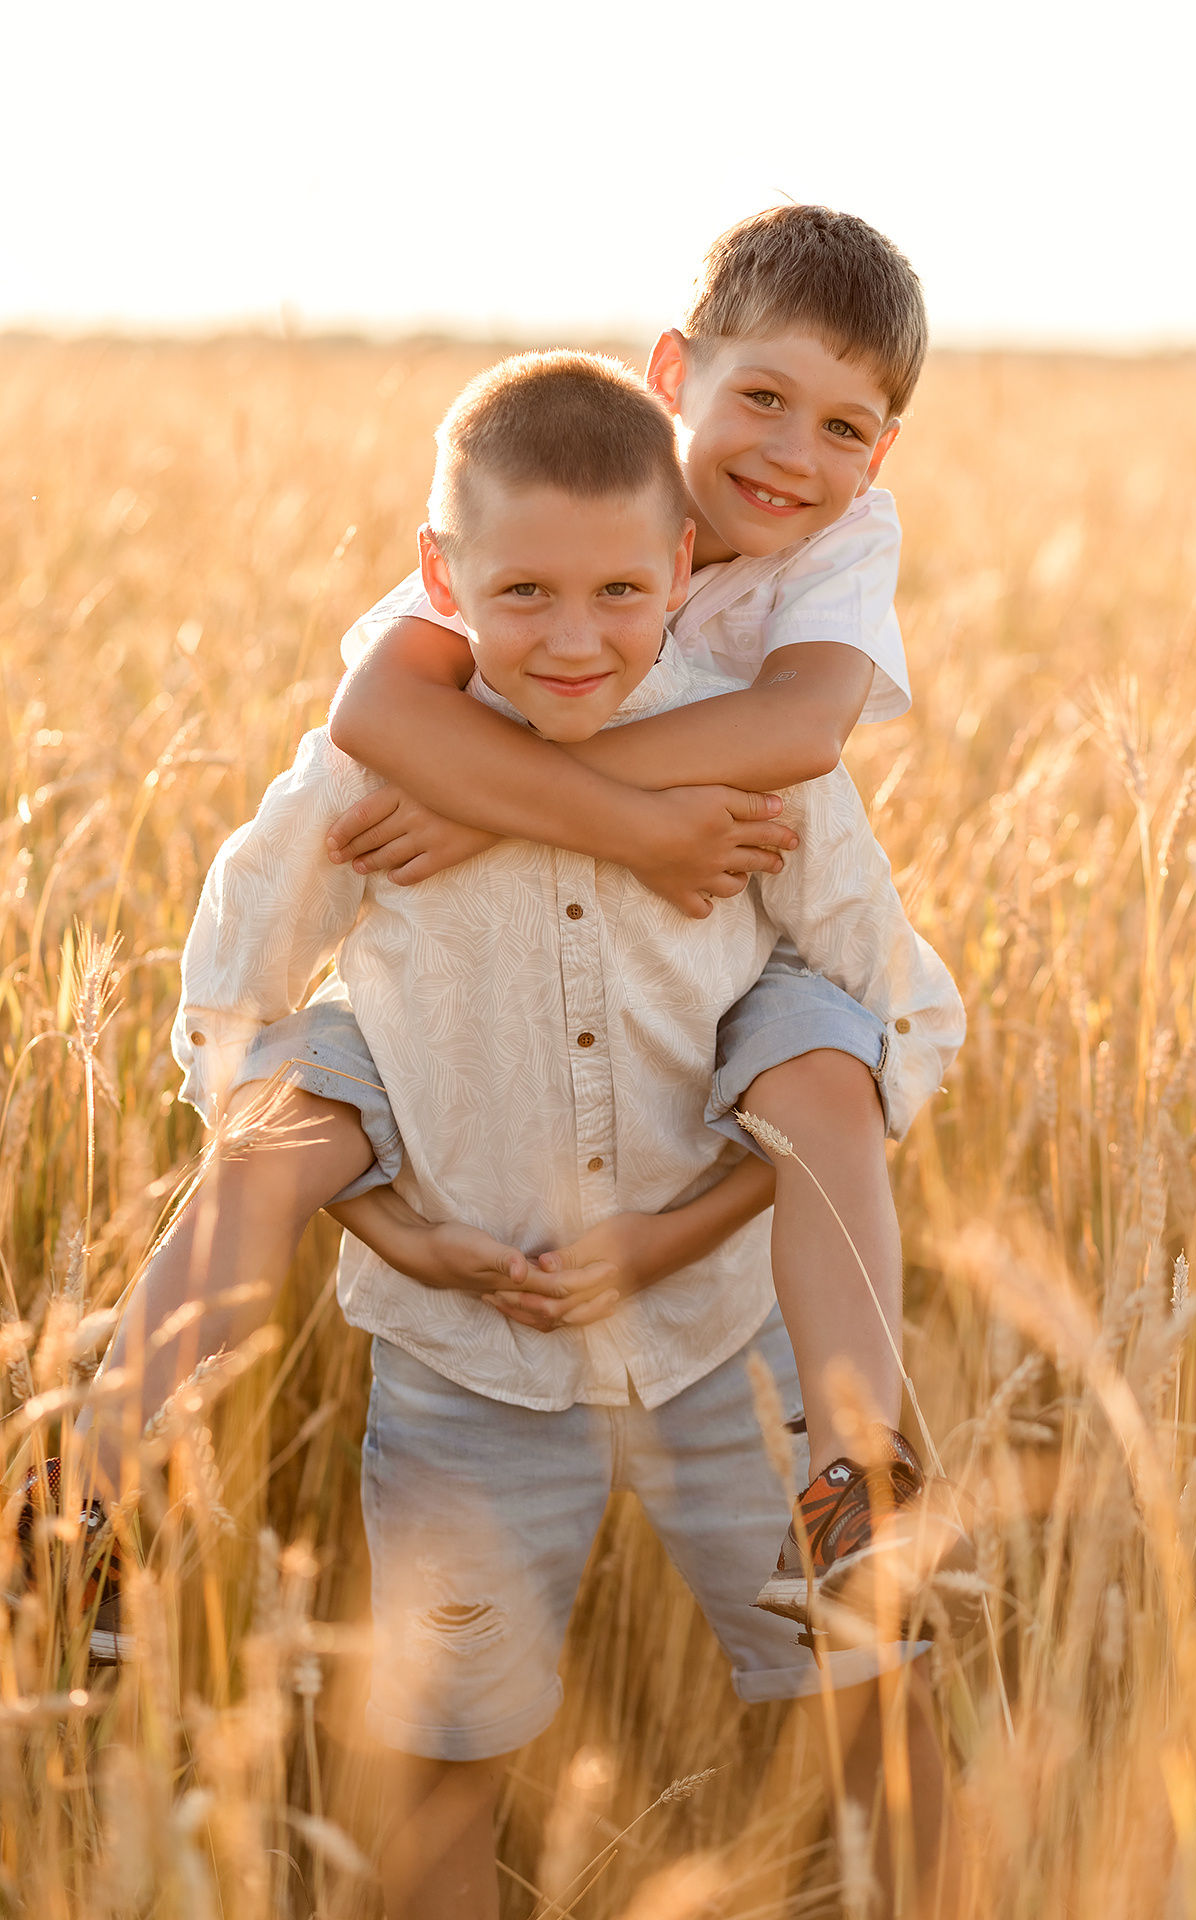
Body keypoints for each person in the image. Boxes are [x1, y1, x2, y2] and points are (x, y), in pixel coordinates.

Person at [162, 350, 966, 1917]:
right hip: (470, 1368)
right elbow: (233, 1006)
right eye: (522, 592)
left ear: (681, 568)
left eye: (618, 590)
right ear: (441, 579)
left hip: (734, 1355)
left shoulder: (743, 747)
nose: (578, 637)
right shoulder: (381, 756)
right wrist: (391, 1225)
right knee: (443, 1761)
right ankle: (104, 1475)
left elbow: (895, 1022)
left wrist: (675, 1234)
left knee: (874, 1702)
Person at [326, 205, 944, 1621]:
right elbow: (377, 703)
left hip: (750, 937)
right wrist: (620, 823)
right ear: (676, 374)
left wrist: (503, 793)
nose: (796, 456)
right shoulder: (576, 483)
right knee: (293, 1112)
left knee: (825, 1080)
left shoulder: (846, 544)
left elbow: (800, 725)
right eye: (765, 398)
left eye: (847, 429)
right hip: (536, 989)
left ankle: (872, 1468)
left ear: (883, 457)